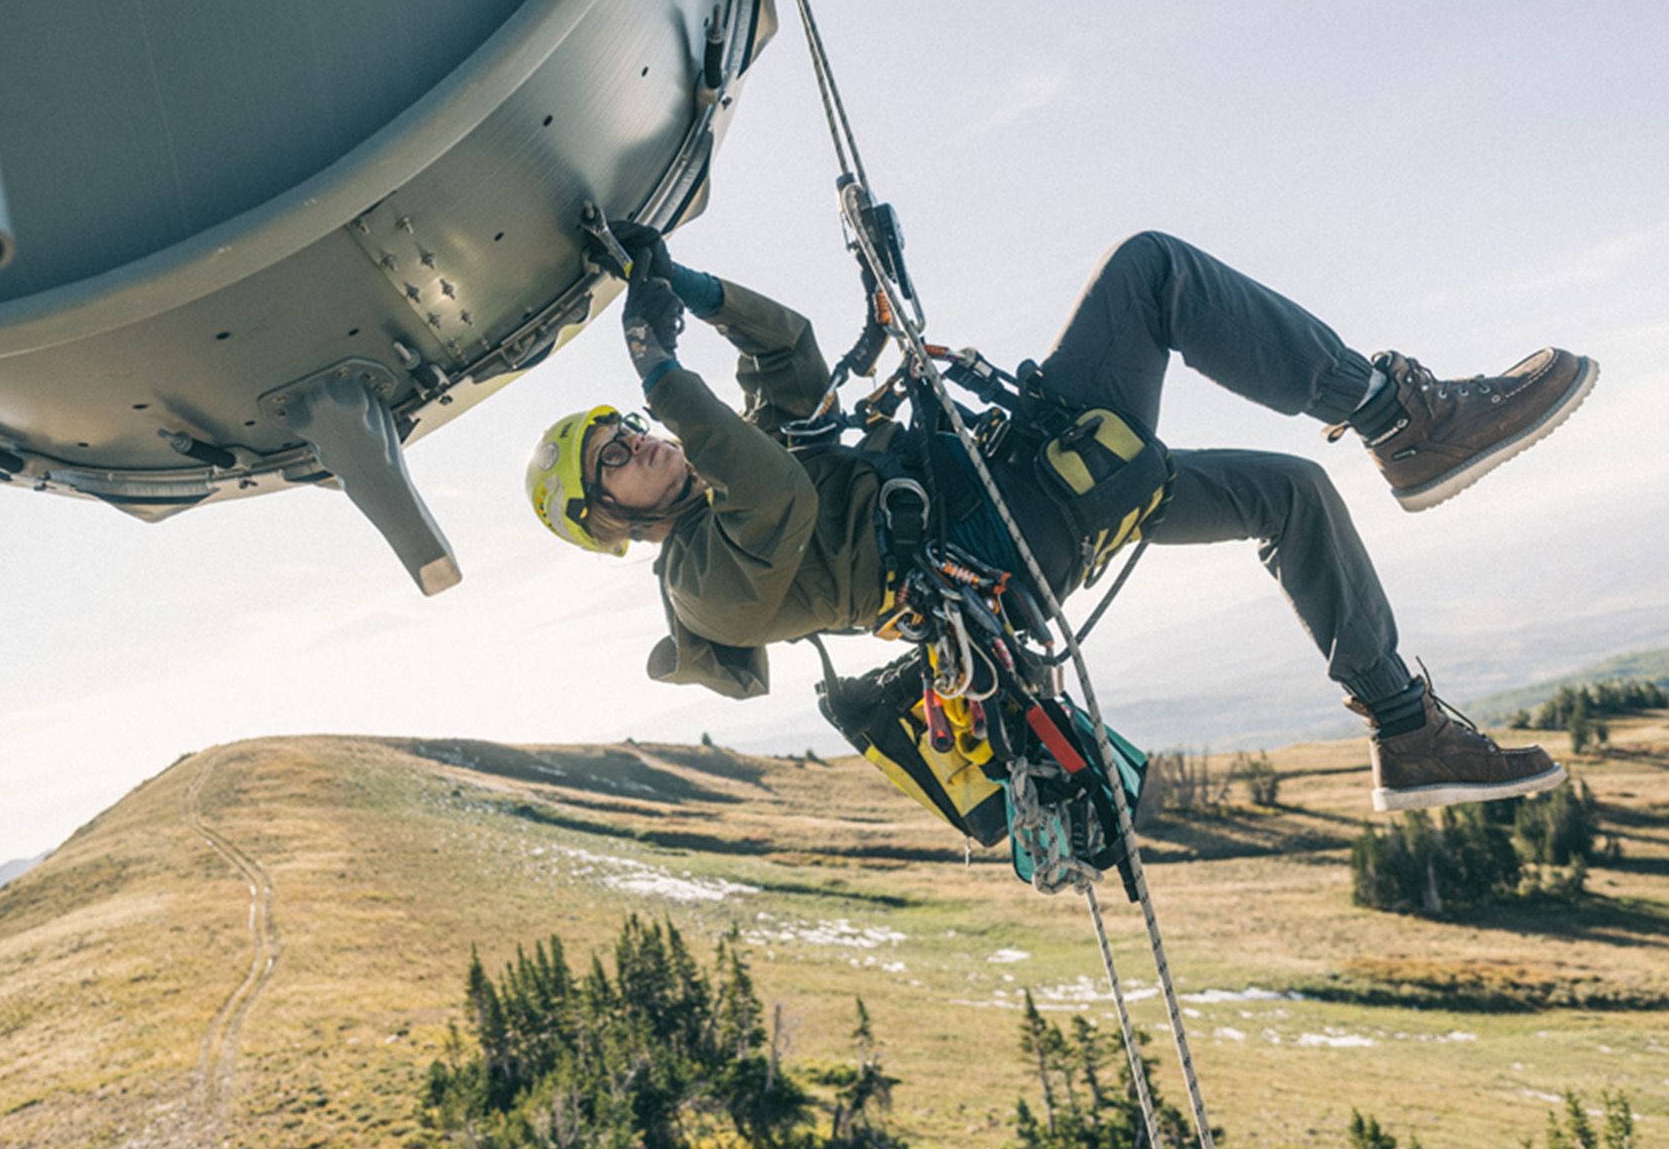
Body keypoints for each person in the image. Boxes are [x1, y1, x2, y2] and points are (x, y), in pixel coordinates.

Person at [523, 227, 1594, 810]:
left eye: (627, 425)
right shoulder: (703, 583)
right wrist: (660, 370)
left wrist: (689, 287)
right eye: (615, 456)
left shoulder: (738, 462)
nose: (639, 441)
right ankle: (1402, 420)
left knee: (1290, 496)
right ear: (608, 520)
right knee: (1151, 273)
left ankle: (1407, 734)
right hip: (1013, 528)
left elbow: (789, 355)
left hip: (1029, 501)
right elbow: (782, 494)